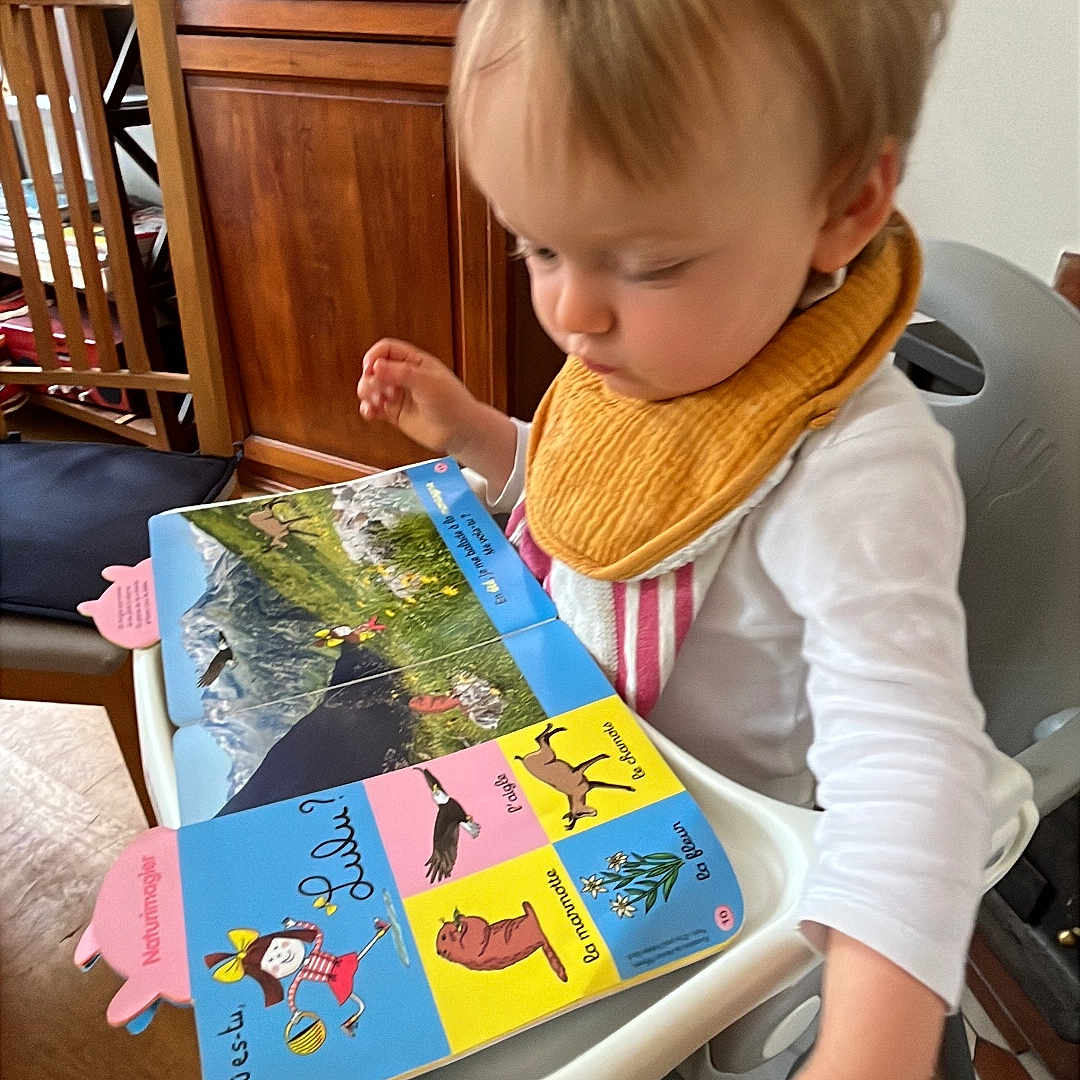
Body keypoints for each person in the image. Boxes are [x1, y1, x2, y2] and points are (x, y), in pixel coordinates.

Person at [357, 2, 993, 1076]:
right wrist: (481, 436)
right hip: (571, 774)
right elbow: (608, 523)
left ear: (846, 204)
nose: (573, 312)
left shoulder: (856, 467)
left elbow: (913, 764)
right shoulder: (655, 346)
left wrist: (874, 1047)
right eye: (539, 246)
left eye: (647, 264)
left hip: (722, 865)